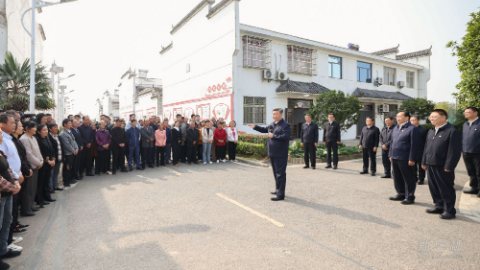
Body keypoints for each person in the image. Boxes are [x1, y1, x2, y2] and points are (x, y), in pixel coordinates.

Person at [422, 109, 462, 219]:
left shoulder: (451, 130)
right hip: (430, 163)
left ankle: (449, 210)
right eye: (431, 116)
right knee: (433, 187)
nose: (431, 119)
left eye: (434, 116)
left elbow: (454, 151)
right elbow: (426, 148)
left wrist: (449, 166)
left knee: (445, 188)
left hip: (443, 166)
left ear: (444, 117)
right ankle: (438, 206)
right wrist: (424, 161)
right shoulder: (431, 131)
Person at [248, 108, 291, 201]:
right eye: (273, 114)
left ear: (281, 114)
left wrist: (274, 136)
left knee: (280, 174)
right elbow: (265, 130)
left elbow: (286, 137)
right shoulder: (272, 123)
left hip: (281, 153)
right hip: (272, 152)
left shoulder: (285, 125)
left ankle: (280, 195)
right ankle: (278, 189)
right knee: (275, 173)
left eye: (276, 114)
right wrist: (255, 126)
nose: (274, 116)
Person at [388, 110, 420, 205]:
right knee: (397, 177)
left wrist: (412, 158)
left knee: (408, 178)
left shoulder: (412, 128)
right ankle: (400, 193)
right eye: (397, 116)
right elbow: (392, 142)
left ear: (407, 118)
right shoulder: (395, 128)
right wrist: (390, 154)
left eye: (400, 116)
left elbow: (414, 145)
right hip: (395, 156)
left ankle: (410, 196)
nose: (398, 118)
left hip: (405, 158)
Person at [0, 131, 22, 264]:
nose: (2, 136)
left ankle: (3, 249)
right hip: (3, 193)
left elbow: (7, 169)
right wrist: (12, 187)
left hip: (8, 193)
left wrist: (15, 182)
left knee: (6, 222)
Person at [9, 120, 32, 239]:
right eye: (20, 126)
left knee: (15, 203)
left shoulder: (16, 140)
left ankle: (15, 224)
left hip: (20, 174)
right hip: (13, 177)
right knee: (11, 206)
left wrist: (27, 168)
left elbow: (23, 156)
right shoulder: (11, 140)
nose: (21, 127)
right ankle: (12, 228)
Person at [19, 122, 42, 215]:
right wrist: (38, 162)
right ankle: (26, 209)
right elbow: (28, 155)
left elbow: (38, 151)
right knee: (28, 190)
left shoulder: (33, 138)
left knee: (33, 188)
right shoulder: (24, 139)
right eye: (34, 127)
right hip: (31, 166)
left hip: (36, 165)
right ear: (27, 128)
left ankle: (31, 206)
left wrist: (41, 161)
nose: (36, 129)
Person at [35, 124, 56, 206]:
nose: (46, 131)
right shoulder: (38, 140)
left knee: (46, 181)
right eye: (44, 130)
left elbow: (51, 149)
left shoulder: (47, 138)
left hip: (49, 163)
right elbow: (39, 152)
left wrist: (53, 158)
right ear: (39, 132)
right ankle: (40, 199)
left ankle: (47, 196)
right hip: (43, 164)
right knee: (41, 182)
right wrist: (48, 161)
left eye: (46, 129)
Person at [462, 106, 480, 197]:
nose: (466, 113)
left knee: (479, 172)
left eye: (468, 112)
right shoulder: (465, 124)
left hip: (477, 152)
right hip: (466, 152)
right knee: (471, 171)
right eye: (465, 112)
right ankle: (474, 188)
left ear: (475, 112)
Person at [59, 119, 79, 188]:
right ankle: (66, 181)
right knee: (67, 168)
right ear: (65, 124)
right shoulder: (63, 134)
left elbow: (74, 141)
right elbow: (67, 145)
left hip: (72, 153)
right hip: (68, 154)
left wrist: (76, 148)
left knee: (71, 167)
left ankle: (70, 179)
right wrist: (74, 150)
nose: (71, 124)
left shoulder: (70, 132)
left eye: (71, 123)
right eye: (69, 123)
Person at [410, 116, 428, 184]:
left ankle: (421, 178)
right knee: (412, 165)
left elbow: (427, 141)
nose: (412, 122)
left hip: (421, 150)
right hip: (411, 150)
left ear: (418, 121)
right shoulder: (409, 129)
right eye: (411, 120)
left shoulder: (423, 130)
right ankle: (414, 177)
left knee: (421, 165)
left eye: (414, 120)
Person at [47, 123, 63, 192]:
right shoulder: (48, 137)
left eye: (57, 127)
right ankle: (50, 188)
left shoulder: (58, 136)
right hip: (53, 158)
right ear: (50, 129)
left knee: (56, 172)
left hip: (59, 157)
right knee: (51, 174)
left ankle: (55, 186)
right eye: (54, 127)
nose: (56, 129)